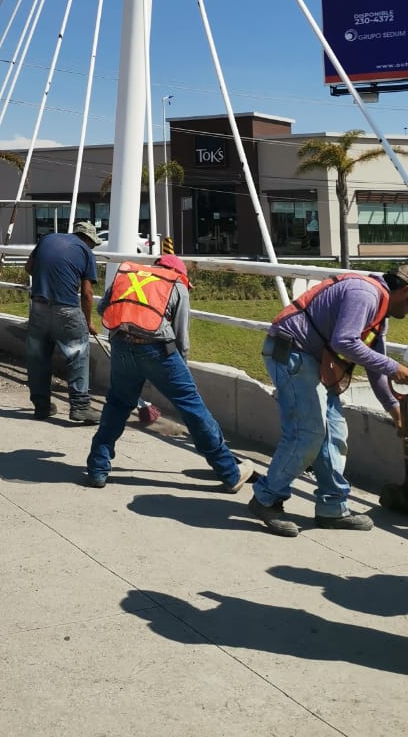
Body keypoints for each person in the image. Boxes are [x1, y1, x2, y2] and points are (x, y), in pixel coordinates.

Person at [249, 264, 408, 537]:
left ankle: (332, 508)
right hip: (293, 353)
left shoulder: (379, 312)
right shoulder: (365, 295)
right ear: (405, 291)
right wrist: (395, 367)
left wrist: (395, 410)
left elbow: (375, 367)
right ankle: (266, 498)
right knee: (307, 434)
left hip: (313, 359)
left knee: (334, 434)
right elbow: (345, 342)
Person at [85, 255, 254, 493]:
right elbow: (181, 336)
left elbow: (105, 308)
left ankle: (97, 468)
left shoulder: (127, 274)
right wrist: (179, 369)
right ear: (179, 272)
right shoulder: (176, 283)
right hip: (158, 350)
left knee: (117, 405)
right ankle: (229, 471)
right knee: (192, 408)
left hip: (121, 345)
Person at [25, 220, 101, 424]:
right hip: (66, 309)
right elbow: (86, 293)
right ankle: (80, 407)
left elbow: (29, 267)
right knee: (77, 354)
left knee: (38, 357)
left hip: (39, 306)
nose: (92, 246)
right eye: (93, 242)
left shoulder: (47, 239)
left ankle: (41, 406)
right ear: (87, 239)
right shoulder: (86, 252)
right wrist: (88, 322)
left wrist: (49, 279)